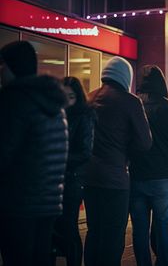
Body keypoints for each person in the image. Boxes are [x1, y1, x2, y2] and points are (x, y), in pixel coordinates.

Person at [0, 41, 68, 265]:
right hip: (49, 201)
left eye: (3, 66)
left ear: (12, 67)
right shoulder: (55, 105)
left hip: (18, 201)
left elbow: (5, 151)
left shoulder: (15, 100)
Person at [83, 57, 152, 266]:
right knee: (113, 234)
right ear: (125, 77)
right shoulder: (130, 101)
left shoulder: (90, 98)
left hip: (89, 176)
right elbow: (145, 142)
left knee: (94, 230)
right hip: (115, 178)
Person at [128, 65, 168, 266]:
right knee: (164, 227)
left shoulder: (135, 106)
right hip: (163, 176)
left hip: (137, 175)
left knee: (140, 229)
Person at [52, 77, 95, 266]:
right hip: (54, 179)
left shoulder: (84, 115)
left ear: (78, 96)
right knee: (52, 229)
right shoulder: (54, 114)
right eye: (64, 95)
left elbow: (85, 151)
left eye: (71, 96)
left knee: (69, 227)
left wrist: (58, 157)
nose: (67, 100)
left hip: (72, 178)